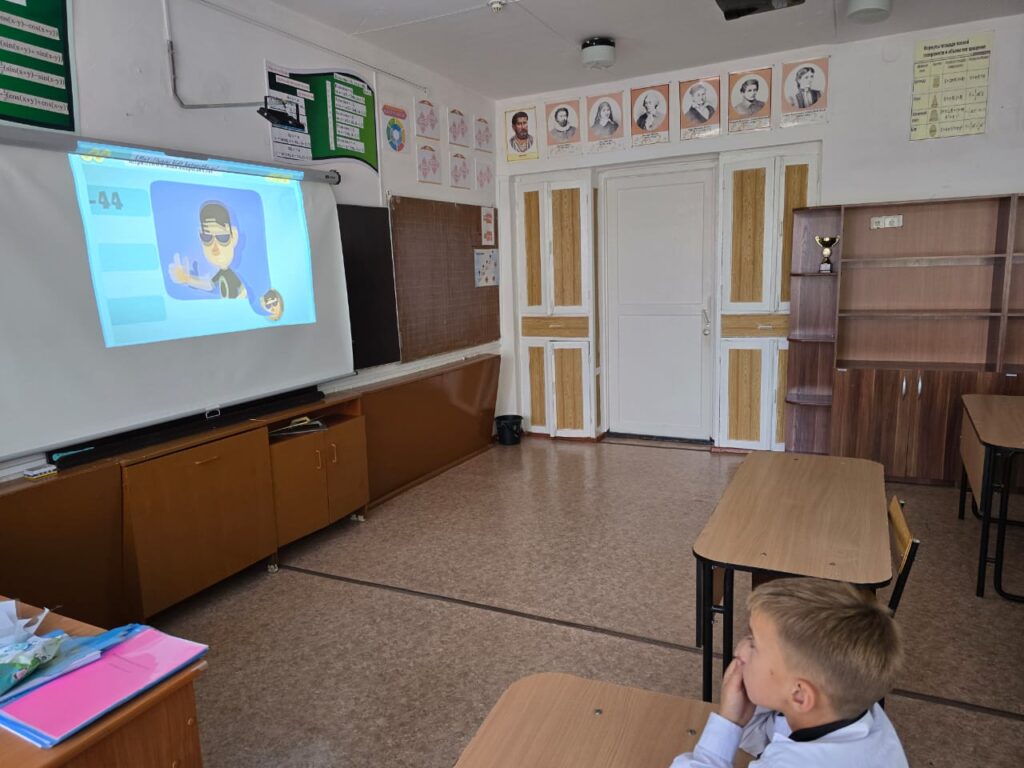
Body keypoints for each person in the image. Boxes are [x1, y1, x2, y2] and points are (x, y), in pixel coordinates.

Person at [671, 578, 908, 768]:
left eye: (754, 644)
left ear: (800, 695)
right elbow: (762, 737)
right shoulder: (858, 709)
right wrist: (740, 714)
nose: (739, 651)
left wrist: (727, 722)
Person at [168, 201, 247, 299]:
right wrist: (187, 279)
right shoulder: (221, 273)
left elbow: (242, 293)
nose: (215, 246)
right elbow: (209, 285)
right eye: (207, 237)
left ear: (234, 237)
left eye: (222, 237)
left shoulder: (231, 275)